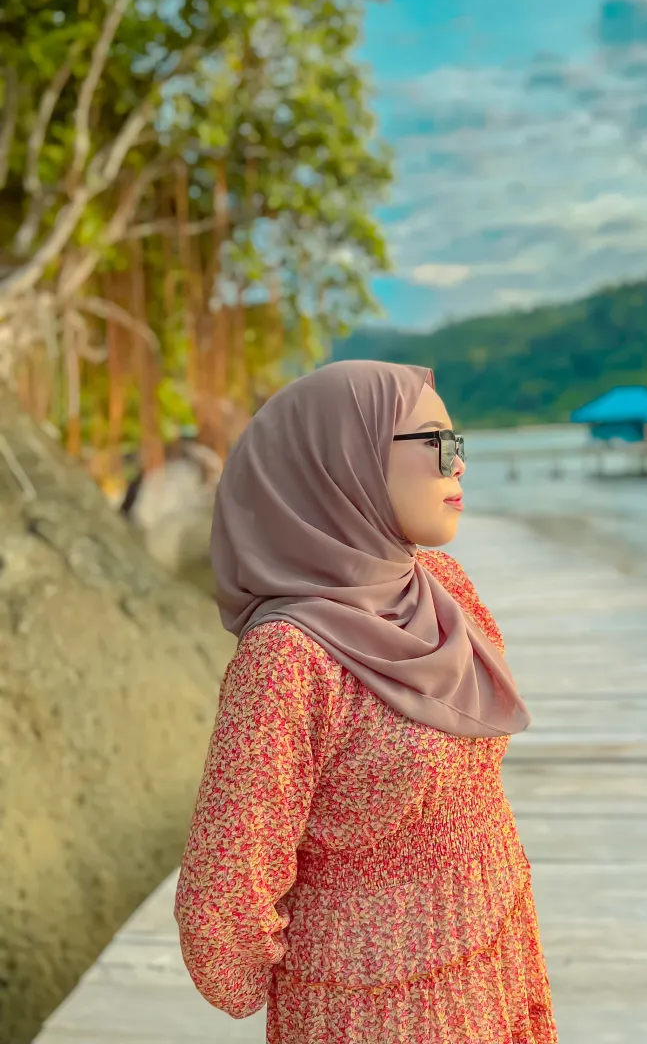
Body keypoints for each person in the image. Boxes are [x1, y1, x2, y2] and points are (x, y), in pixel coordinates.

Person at [173, 360, 558, 1044]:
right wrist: (310, 973)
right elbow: (223, 897)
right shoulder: (286, 656)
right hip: (372, 1005)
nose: (458, 464)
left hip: (495, 955)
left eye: (457, 442)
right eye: (435, 443)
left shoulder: (439, 585)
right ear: (343, 461)